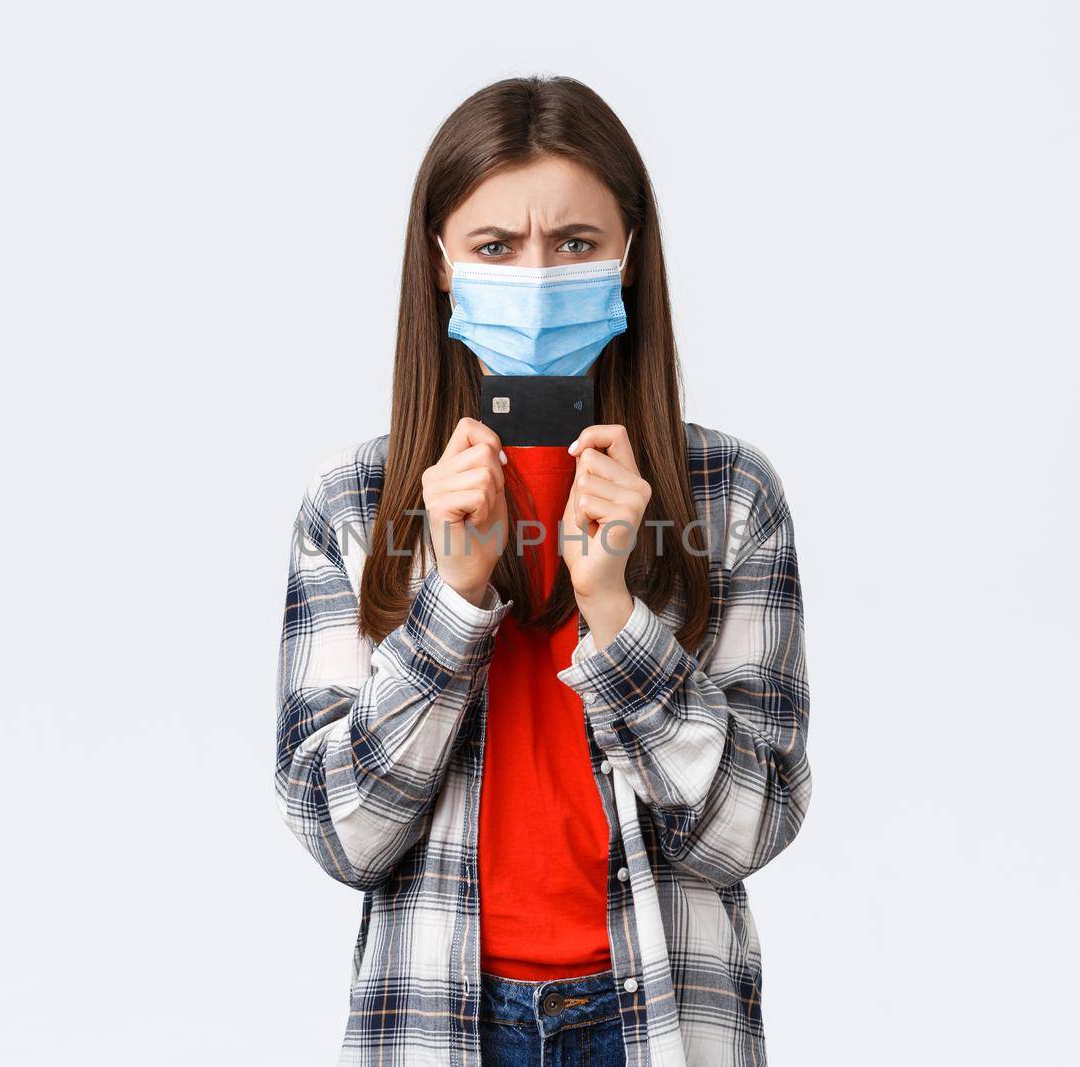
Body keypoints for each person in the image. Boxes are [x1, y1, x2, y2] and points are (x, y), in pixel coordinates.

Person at [275, 74, 812, 1067]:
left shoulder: (727, 495)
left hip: (657, 1015)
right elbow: (342, 832)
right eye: (494, 246)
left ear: (627, 256)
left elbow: (749, 827)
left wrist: (614, 612)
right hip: (440, 1016)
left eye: (573, 243)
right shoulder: (356, 504)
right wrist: (451, 602)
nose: (535, 275)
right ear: (438, 261)